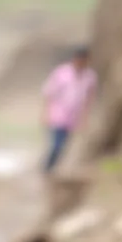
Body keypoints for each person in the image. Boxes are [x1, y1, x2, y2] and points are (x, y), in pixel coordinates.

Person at [41, 44, 96, 172]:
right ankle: (46, 169)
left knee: (63, 146)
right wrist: (45, 113)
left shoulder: (90, 76)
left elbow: (89, 98)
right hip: (57, 114)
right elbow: (49, 93)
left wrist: (85, 118)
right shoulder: (62, 73)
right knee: (57, 145)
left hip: (73, 117)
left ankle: (49, 167)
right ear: (74, 59)